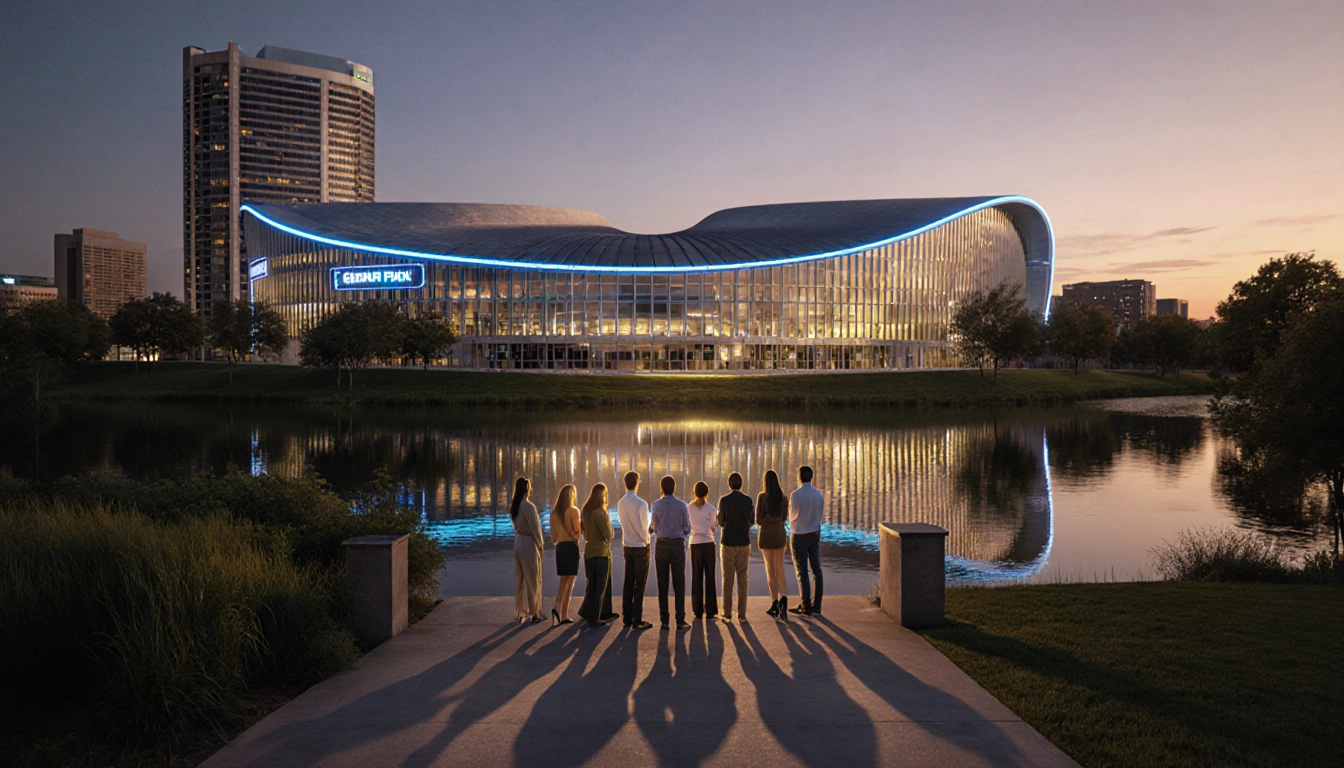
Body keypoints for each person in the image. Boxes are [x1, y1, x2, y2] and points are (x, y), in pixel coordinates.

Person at [649, 475, 691, 630]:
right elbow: (686, 527)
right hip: (677, 545)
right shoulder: (681, 505)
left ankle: (664, 619)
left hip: (661, 546)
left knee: (662, 583)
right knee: (679, 583)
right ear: (674, 488)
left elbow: (653, 526)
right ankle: (680, 620)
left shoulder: (656, 505)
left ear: (661, 488)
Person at [616, 471, 654, 630]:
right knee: (640, 583)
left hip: (627, 545)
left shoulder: (620, 503)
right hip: (640, 547)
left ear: (625, 484)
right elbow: (643, 528)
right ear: (637, 483)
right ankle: (637, 619)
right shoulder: (642, 504)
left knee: (628, 582)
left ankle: (626, 617)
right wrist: (647, 536)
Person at [577, 483, 618, 627]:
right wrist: (610, 523)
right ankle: (595, 617)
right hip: (601, 552)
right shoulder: (601, 513)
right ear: (602, 496)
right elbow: (609, 535)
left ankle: (585, 611)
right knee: (601, 587)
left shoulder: (586, 511)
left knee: (591, 584)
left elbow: (582, 530)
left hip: (589, 552)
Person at [717, 472, 754, 623]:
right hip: (744, 542)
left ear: (729, 484)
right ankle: (742, 614)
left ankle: (727, 613)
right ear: (741, 484)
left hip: (728, 542)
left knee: (728, 578)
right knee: (743, 578)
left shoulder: (724, 500)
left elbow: (720, 521)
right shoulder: (748, 500)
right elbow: (752, 520)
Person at [789, 465, 825, 617]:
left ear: (799, 477)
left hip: (800, 534)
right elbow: (821, 514)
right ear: (812, 477)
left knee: (802, 570)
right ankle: (816, 604)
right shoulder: (819, 494)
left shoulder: (796, 494)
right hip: (814, 532)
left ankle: (805, 605)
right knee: (816, 569)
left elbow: (792, 515)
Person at [509, 477, 544, 625]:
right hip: (528, 542)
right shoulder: (529, 507)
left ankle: (520, 610)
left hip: (518, 541)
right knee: (533, 579)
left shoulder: (514, 506)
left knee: (520, 578)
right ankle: (535, 612)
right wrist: (540, 545)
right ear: (526, 489)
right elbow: (536, 528)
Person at [756, 469, 790, 619]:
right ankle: (784, 598)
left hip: (767, 535)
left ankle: (774, 601)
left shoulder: (762, 497)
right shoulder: (784, 498)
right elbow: (784, 518)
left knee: (770, 570)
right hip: (779, 534)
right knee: (780, 568)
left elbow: (758, 519)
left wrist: (766, 521)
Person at [549, 483, 582, 625]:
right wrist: (580, 530)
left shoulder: (554, 513)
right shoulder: (573, 511)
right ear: (571, 496)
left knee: (563, 581)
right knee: (570, 582)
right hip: (570, 547)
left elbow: (553, 536)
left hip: (560, 548)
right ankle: (563, 615)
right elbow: (577, 531)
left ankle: (557, 607)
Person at [687, 480, 720, 620]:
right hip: (708, 543)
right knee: (710, 576)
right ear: (707, 493)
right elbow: (714, 527)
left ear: (694, 493)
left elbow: (688, 526)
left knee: (697, 576)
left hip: (695, 543)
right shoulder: (711, 509)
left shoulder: (689, 507)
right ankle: (711, 609)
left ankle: (697, 609)